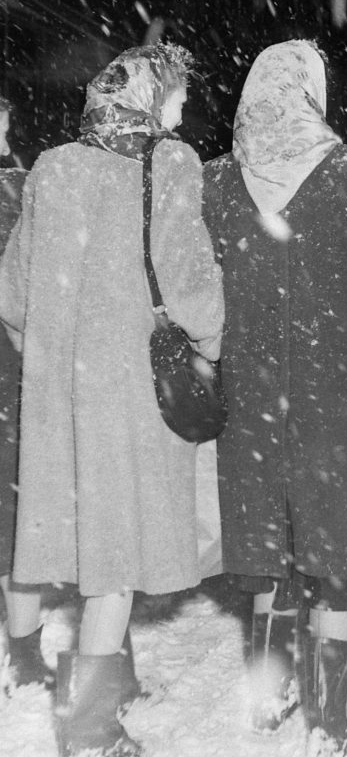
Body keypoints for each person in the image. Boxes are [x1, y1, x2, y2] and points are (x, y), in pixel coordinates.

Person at [0, 45, 224, 756]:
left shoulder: (53, 166)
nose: (183, 109)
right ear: (153, 97)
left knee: (96, 549)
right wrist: (215, 346)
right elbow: (189, 279)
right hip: (131, 393)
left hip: (64, 396)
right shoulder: (171, 162)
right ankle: (90, 729)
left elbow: (12, 294)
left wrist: (53, 360)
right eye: (179, 95)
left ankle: (108, 687)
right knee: (118, 565)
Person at [203, 40, 347, 757]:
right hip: (340, 391)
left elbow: (202, 289)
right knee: (341, 552)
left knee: (270, 539)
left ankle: (269, 698)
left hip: (251, 395)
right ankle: (330, 721)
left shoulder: (217, 181)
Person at [0, 95, 49, 693]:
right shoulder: (19, 186)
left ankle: (26, 652)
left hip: (19, 367)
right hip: (14, 364)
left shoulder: (23, 181)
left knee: (17, 512)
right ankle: (26, 654)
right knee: (15, 514)